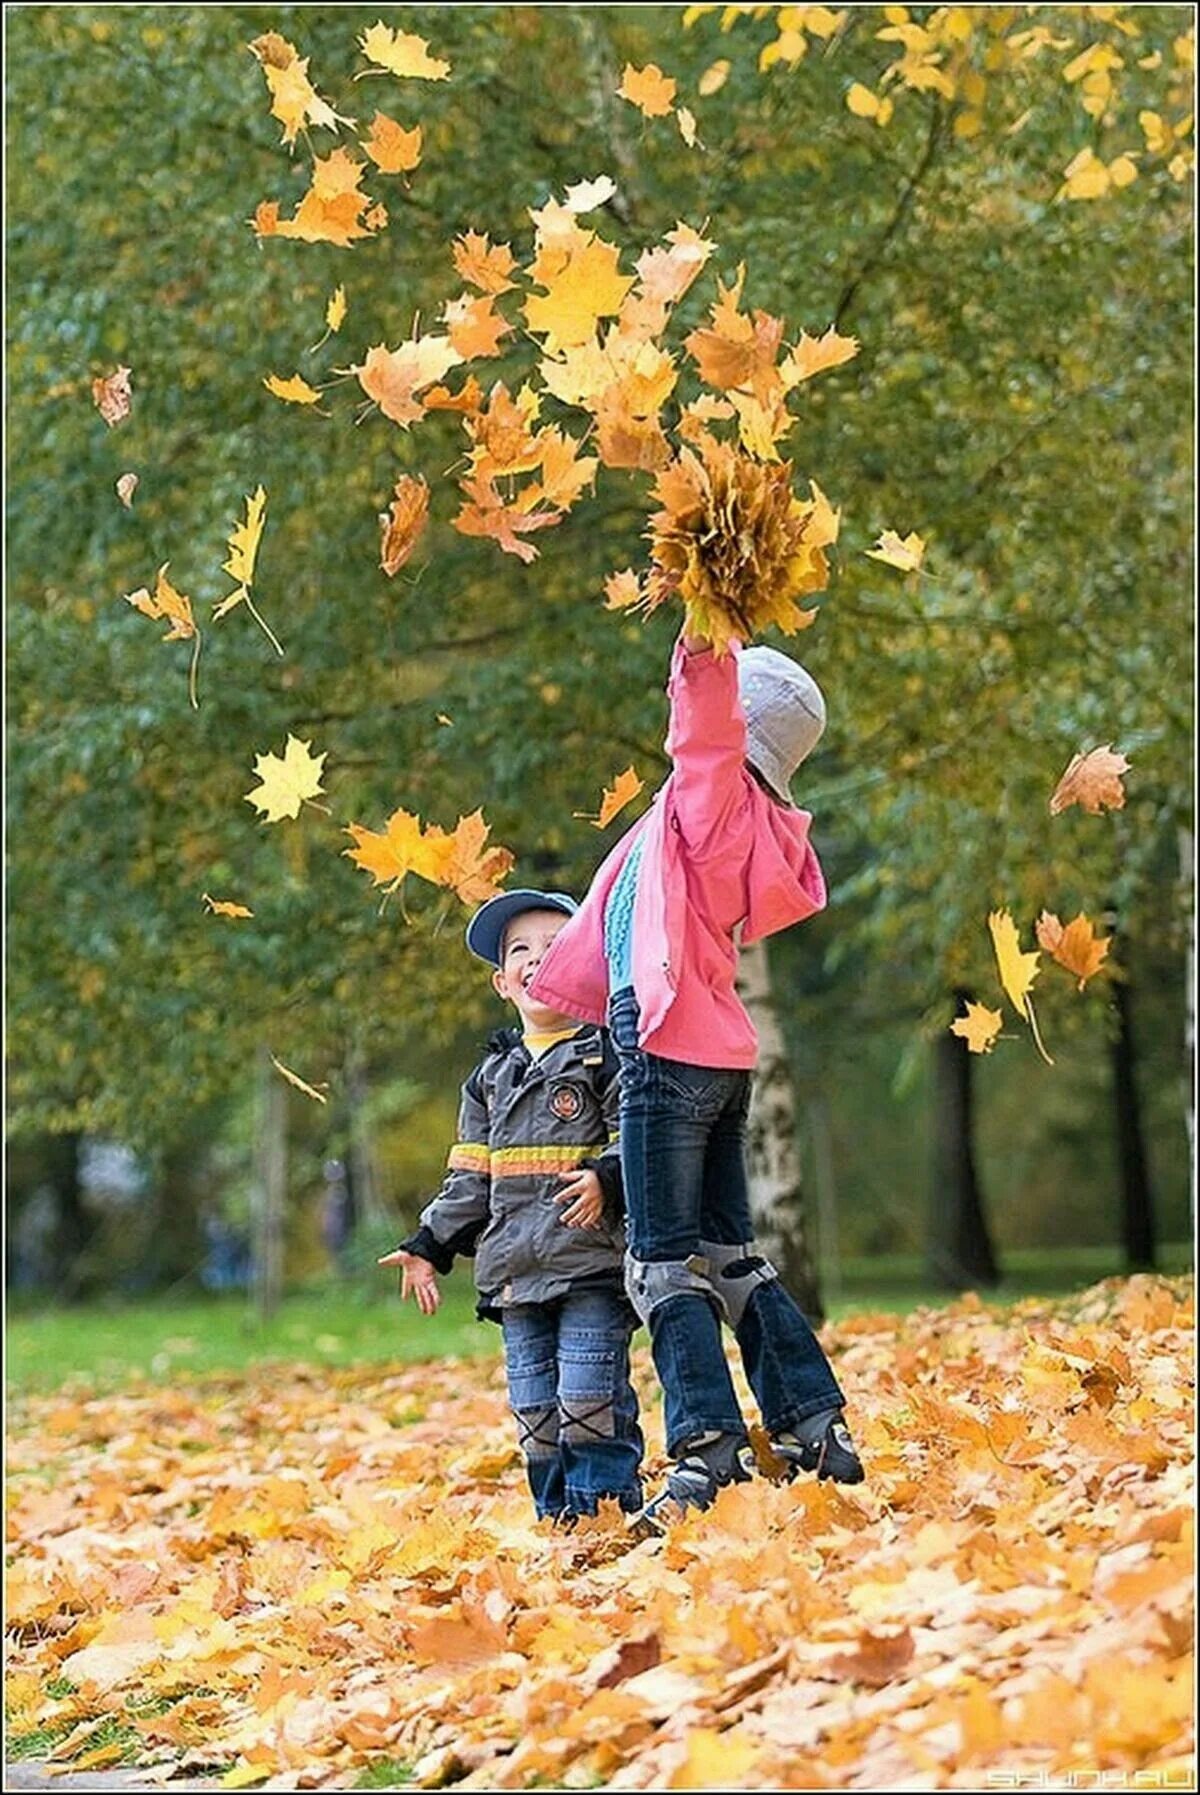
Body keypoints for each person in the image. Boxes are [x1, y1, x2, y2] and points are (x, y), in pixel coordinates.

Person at [528, 629, 863, 1526]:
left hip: (667, 1049)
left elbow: (700, 728)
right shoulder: (720, 821)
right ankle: (814, 1426)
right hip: (713, 1052)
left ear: (737, 732)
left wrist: (705, 628)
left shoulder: (710, 800)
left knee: (661, 1264)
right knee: (729, 1254)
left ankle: (707, 1457)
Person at [379, 891, 643, 1525]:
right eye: (521, 951)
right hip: (515, 1276)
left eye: (555, 947)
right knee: (536, 1414)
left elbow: (638, 1137)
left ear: (588, 967)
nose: (537, 959)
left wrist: (608, 1179)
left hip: (589, 1266)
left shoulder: (604, 1056)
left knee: (587, 1399)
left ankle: (603, 1516)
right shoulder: (490, 1079)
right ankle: (557, 1522)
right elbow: (469, 1179)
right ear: (502, 982)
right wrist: (428, 1245)